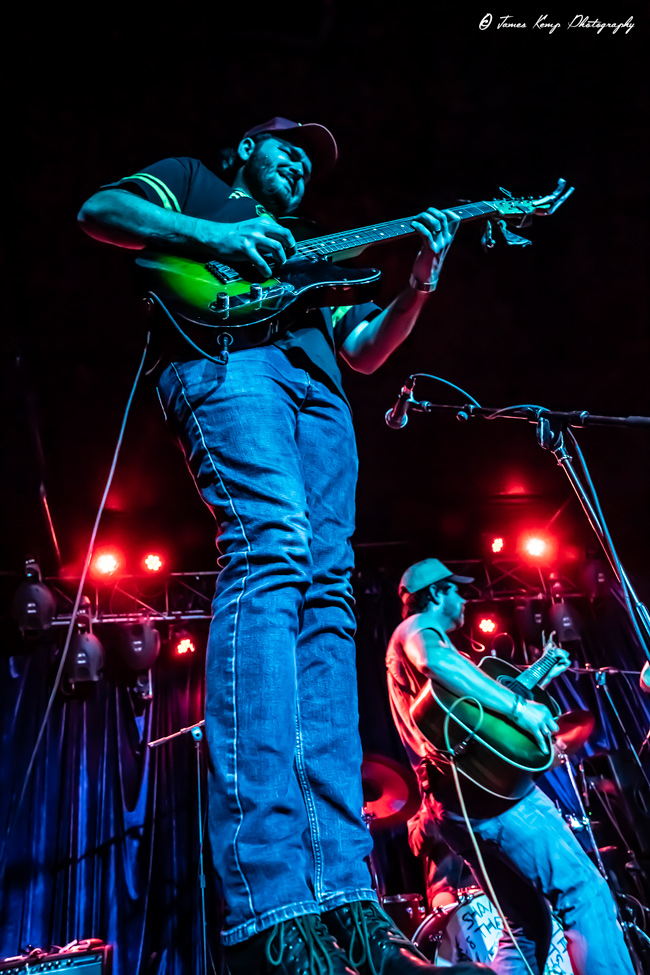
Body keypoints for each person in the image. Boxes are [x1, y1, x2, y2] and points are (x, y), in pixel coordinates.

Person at [78, 118, 487, 975]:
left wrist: (416, 286)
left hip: (322, 397)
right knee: (271, 550)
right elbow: (101, 211)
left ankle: (345, 893)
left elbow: (363, 351)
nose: (299, 162)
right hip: (232, 364)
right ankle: (273, 899)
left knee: (329, 596)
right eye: (286, 147)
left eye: (310, 157)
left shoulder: (311, 249)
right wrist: (219, 236)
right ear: (244, 153)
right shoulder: (198, 183)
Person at [386, 557, 637, 975]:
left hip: (456, 807)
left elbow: (477, 715)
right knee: (584, 891)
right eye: (457, 590)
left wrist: (539, 675)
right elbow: (435, 661)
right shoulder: (416, 629)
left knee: (526, 924)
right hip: (493, 798)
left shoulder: (433, 660)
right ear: (436, 594)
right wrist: (521, 709)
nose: (465, 599)